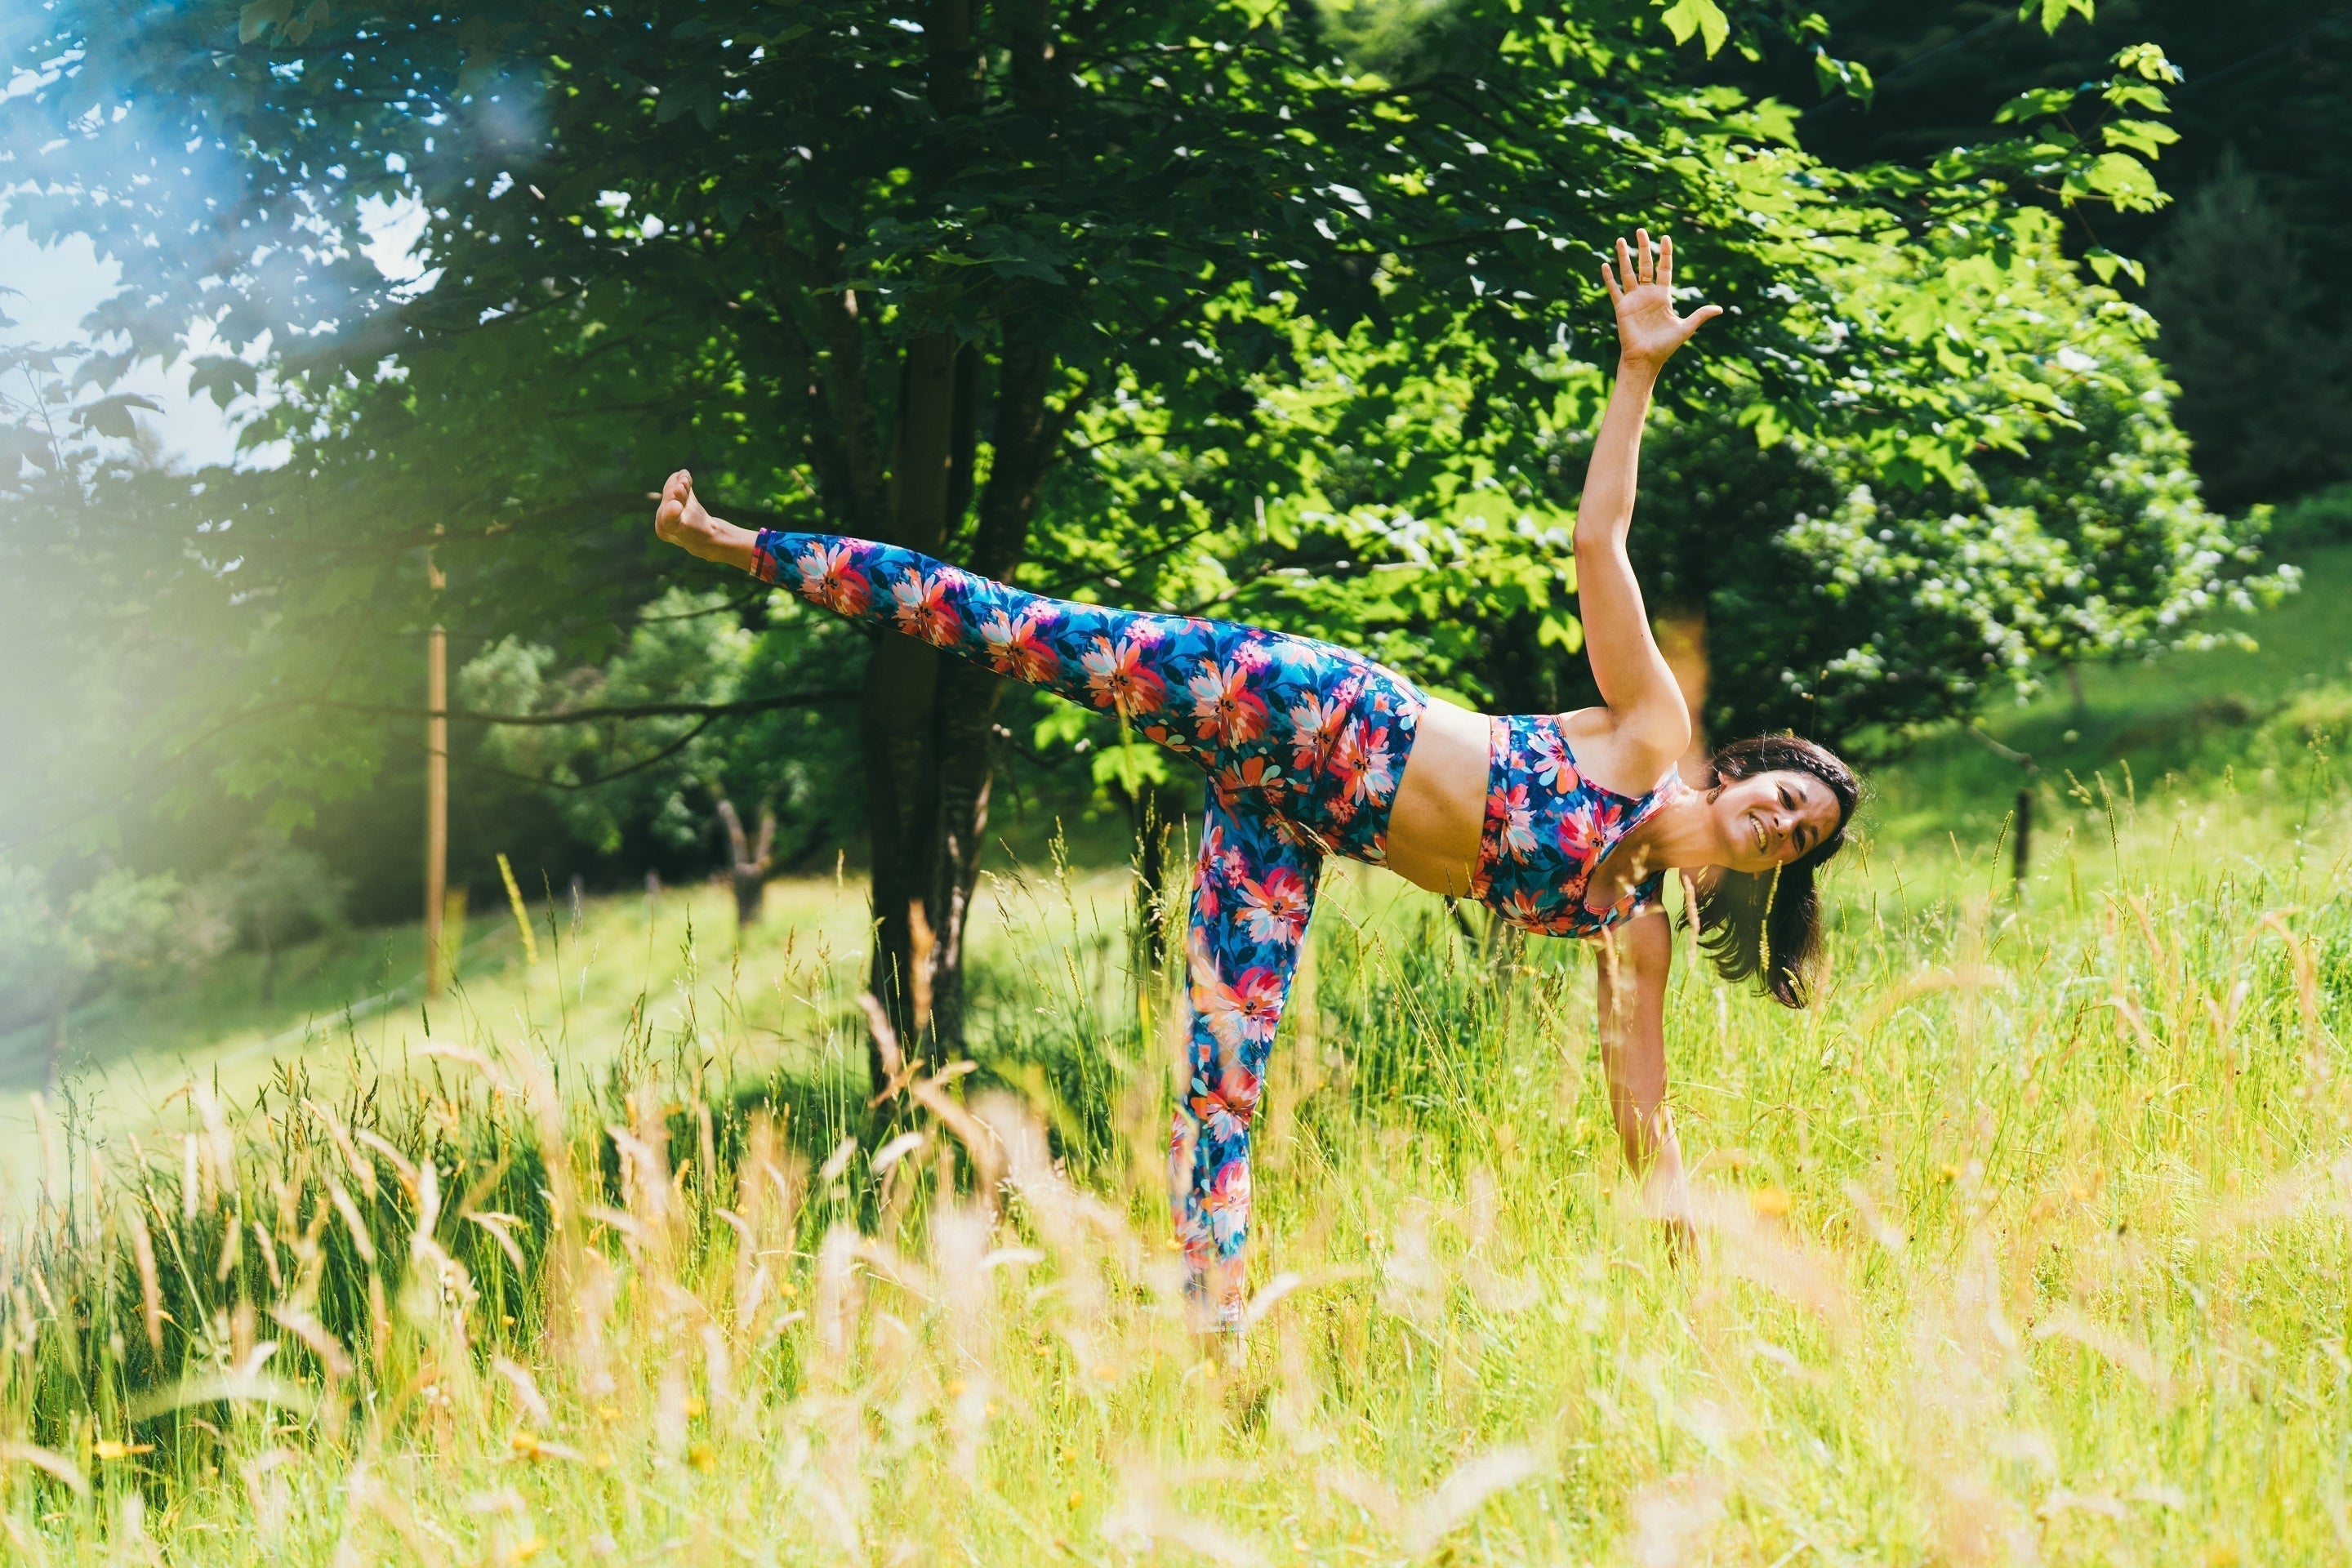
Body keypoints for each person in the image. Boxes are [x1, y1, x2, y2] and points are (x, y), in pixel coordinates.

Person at [653, 230, 1857, 1333]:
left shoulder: (1629, 929)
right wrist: (1636, 372)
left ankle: (1210, 1327)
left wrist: (1683, 1218)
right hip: (1303, 702)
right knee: (1022, 631)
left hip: (1291, 824)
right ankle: (743, 544)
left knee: (1226, 1072)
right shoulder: (1652, 730)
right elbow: (1601, 543)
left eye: (1797, 844)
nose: (1780, 827)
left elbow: (1638, 1102)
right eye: (1789, 800)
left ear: (1773, 872)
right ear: (1749, 770)